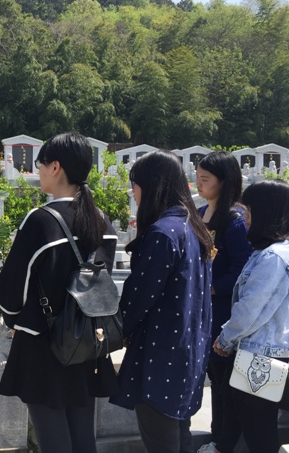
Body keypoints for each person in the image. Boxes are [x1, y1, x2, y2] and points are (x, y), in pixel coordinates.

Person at [0, 132, 118, 453]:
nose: (37, 172)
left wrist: (13, 320)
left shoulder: (41, 221)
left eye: (40, 165)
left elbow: (12, 288)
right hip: (88, 341)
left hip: (44, 343)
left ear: (55, 167)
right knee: (82, 435)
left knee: (53, 438)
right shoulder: (102, 221)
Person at [110, 150, 214, 453]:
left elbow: (139, 296)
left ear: (152, 186)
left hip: (160, 356)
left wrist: (115, 333)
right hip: (187, 352)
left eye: (136, 183)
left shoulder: (163, 233)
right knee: (180, 438)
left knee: (162, 441)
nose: (133, 191)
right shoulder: (193, 228)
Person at [213, 179, 289, 453]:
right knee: (249, 430)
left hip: (261, 356)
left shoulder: (272, 258)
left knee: (260, 438)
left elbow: (251, 309)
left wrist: (226, 338)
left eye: (248, 211)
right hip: (263, 352)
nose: (244, 217)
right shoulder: (271, 253)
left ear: (266, 213)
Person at [195, 152, 252, 453]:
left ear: (224, 181)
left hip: (223, 311)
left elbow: (242, 269)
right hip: (202, 310)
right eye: (197, 177)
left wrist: (213, 288)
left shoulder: (235, 221)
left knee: (225, 380)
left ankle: (223, 441)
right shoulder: (200, 212)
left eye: (205, 179)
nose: (199, 183)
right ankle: (217, 436)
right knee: (214, 379)